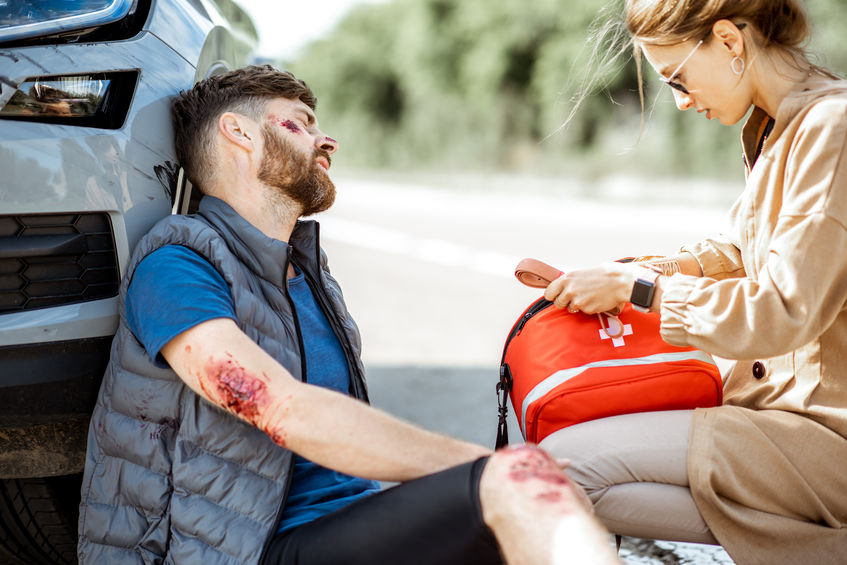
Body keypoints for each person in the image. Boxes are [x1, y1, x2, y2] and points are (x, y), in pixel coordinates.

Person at [76, 65, 620, 565]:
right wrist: (482, 465)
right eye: (301, 124)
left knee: (565, 494)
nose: (325, 140)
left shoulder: (307, 274)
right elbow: (277, 406)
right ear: (238, 133)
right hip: (246, 551)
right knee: (523, 486)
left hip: (337, 529)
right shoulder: (175, 266)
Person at [540, 1, 847, 563]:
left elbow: (782, 309)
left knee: (558, 472)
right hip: (780, 416)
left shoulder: (831, 128)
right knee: (559, 468)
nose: (681, 102)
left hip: (826, 434)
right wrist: (644, 270)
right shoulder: (775, 126)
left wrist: (638, 291)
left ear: (730, 42)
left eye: (678, 79)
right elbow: (744, 251)